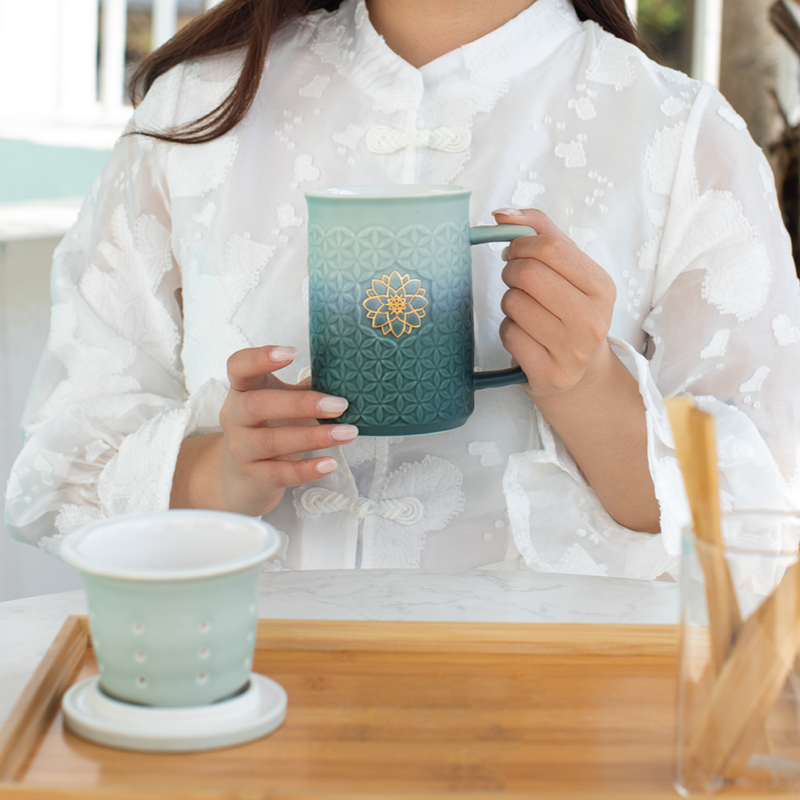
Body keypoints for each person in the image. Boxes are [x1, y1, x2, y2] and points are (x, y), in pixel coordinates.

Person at [6, 0, 800, 579]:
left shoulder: (683, 135)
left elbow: (764, 519)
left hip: (556, 719)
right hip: (245, 700)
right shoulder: (196, 110)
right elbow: (63, 459)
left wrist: (590, 389)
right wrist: (222, 473)